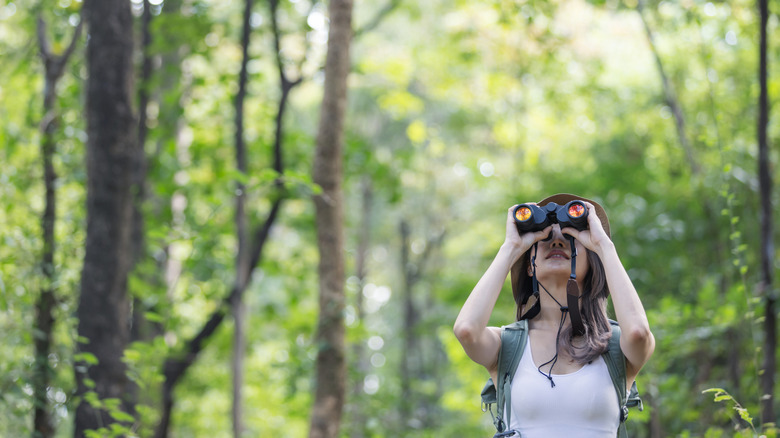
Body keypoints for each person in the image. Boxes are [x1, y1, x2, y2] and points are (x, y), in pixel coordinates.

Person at [453, 194, 654, 437]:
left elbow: (639, 333)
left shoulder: (614, 346)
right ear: (529, 265)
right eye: (546, 238)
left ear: (591, 261)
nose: (557, 242)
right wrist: (512, 247)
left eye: (569, 238)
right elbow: (466, 330)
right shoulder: (508, 346)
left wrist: (603, 246)